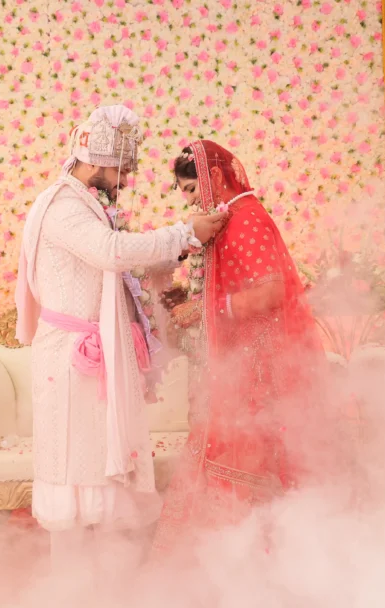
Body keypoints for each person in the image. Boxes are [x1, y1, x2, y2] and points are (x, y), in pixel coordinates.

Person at [14, 107, 228, 565]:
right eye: (120, 168)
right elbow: (112, 254)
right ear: (96, 162)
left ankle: (107, 591)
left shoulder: (82, 203)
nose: (124, 177)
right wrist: (182, 231)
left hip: (86, 359)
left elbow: (118, 264)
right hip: (72, 361)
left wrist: (180, 246)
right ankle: (71, 591)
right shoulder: (63, 206)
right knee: (74, 475)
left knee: (96, 473)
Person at [153, 140, 327, 552]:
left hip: (258, 365)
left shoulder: (247, 219)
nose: (190, 201)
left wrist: (209, 308)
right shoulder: (229, 218)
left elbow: (271, 291)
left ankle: (256, 556)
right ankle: (233, 557)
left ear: (214, 177)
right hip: (239, 362)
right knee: (230, 451)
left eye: (192, 190)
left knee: (248, 454)